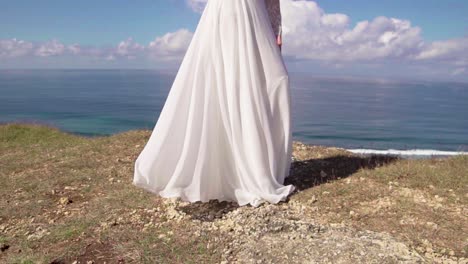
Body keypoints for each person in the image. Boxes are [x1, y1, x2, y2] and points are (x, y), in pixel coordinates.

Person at [133, 0, 294, 207]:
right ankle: (239, 171)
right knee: (228, 80)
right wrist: (274, 29)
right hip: (230, 11)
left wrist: (275, 29)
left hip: (252, 14)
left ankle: (255, 166)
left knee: (272, 81)